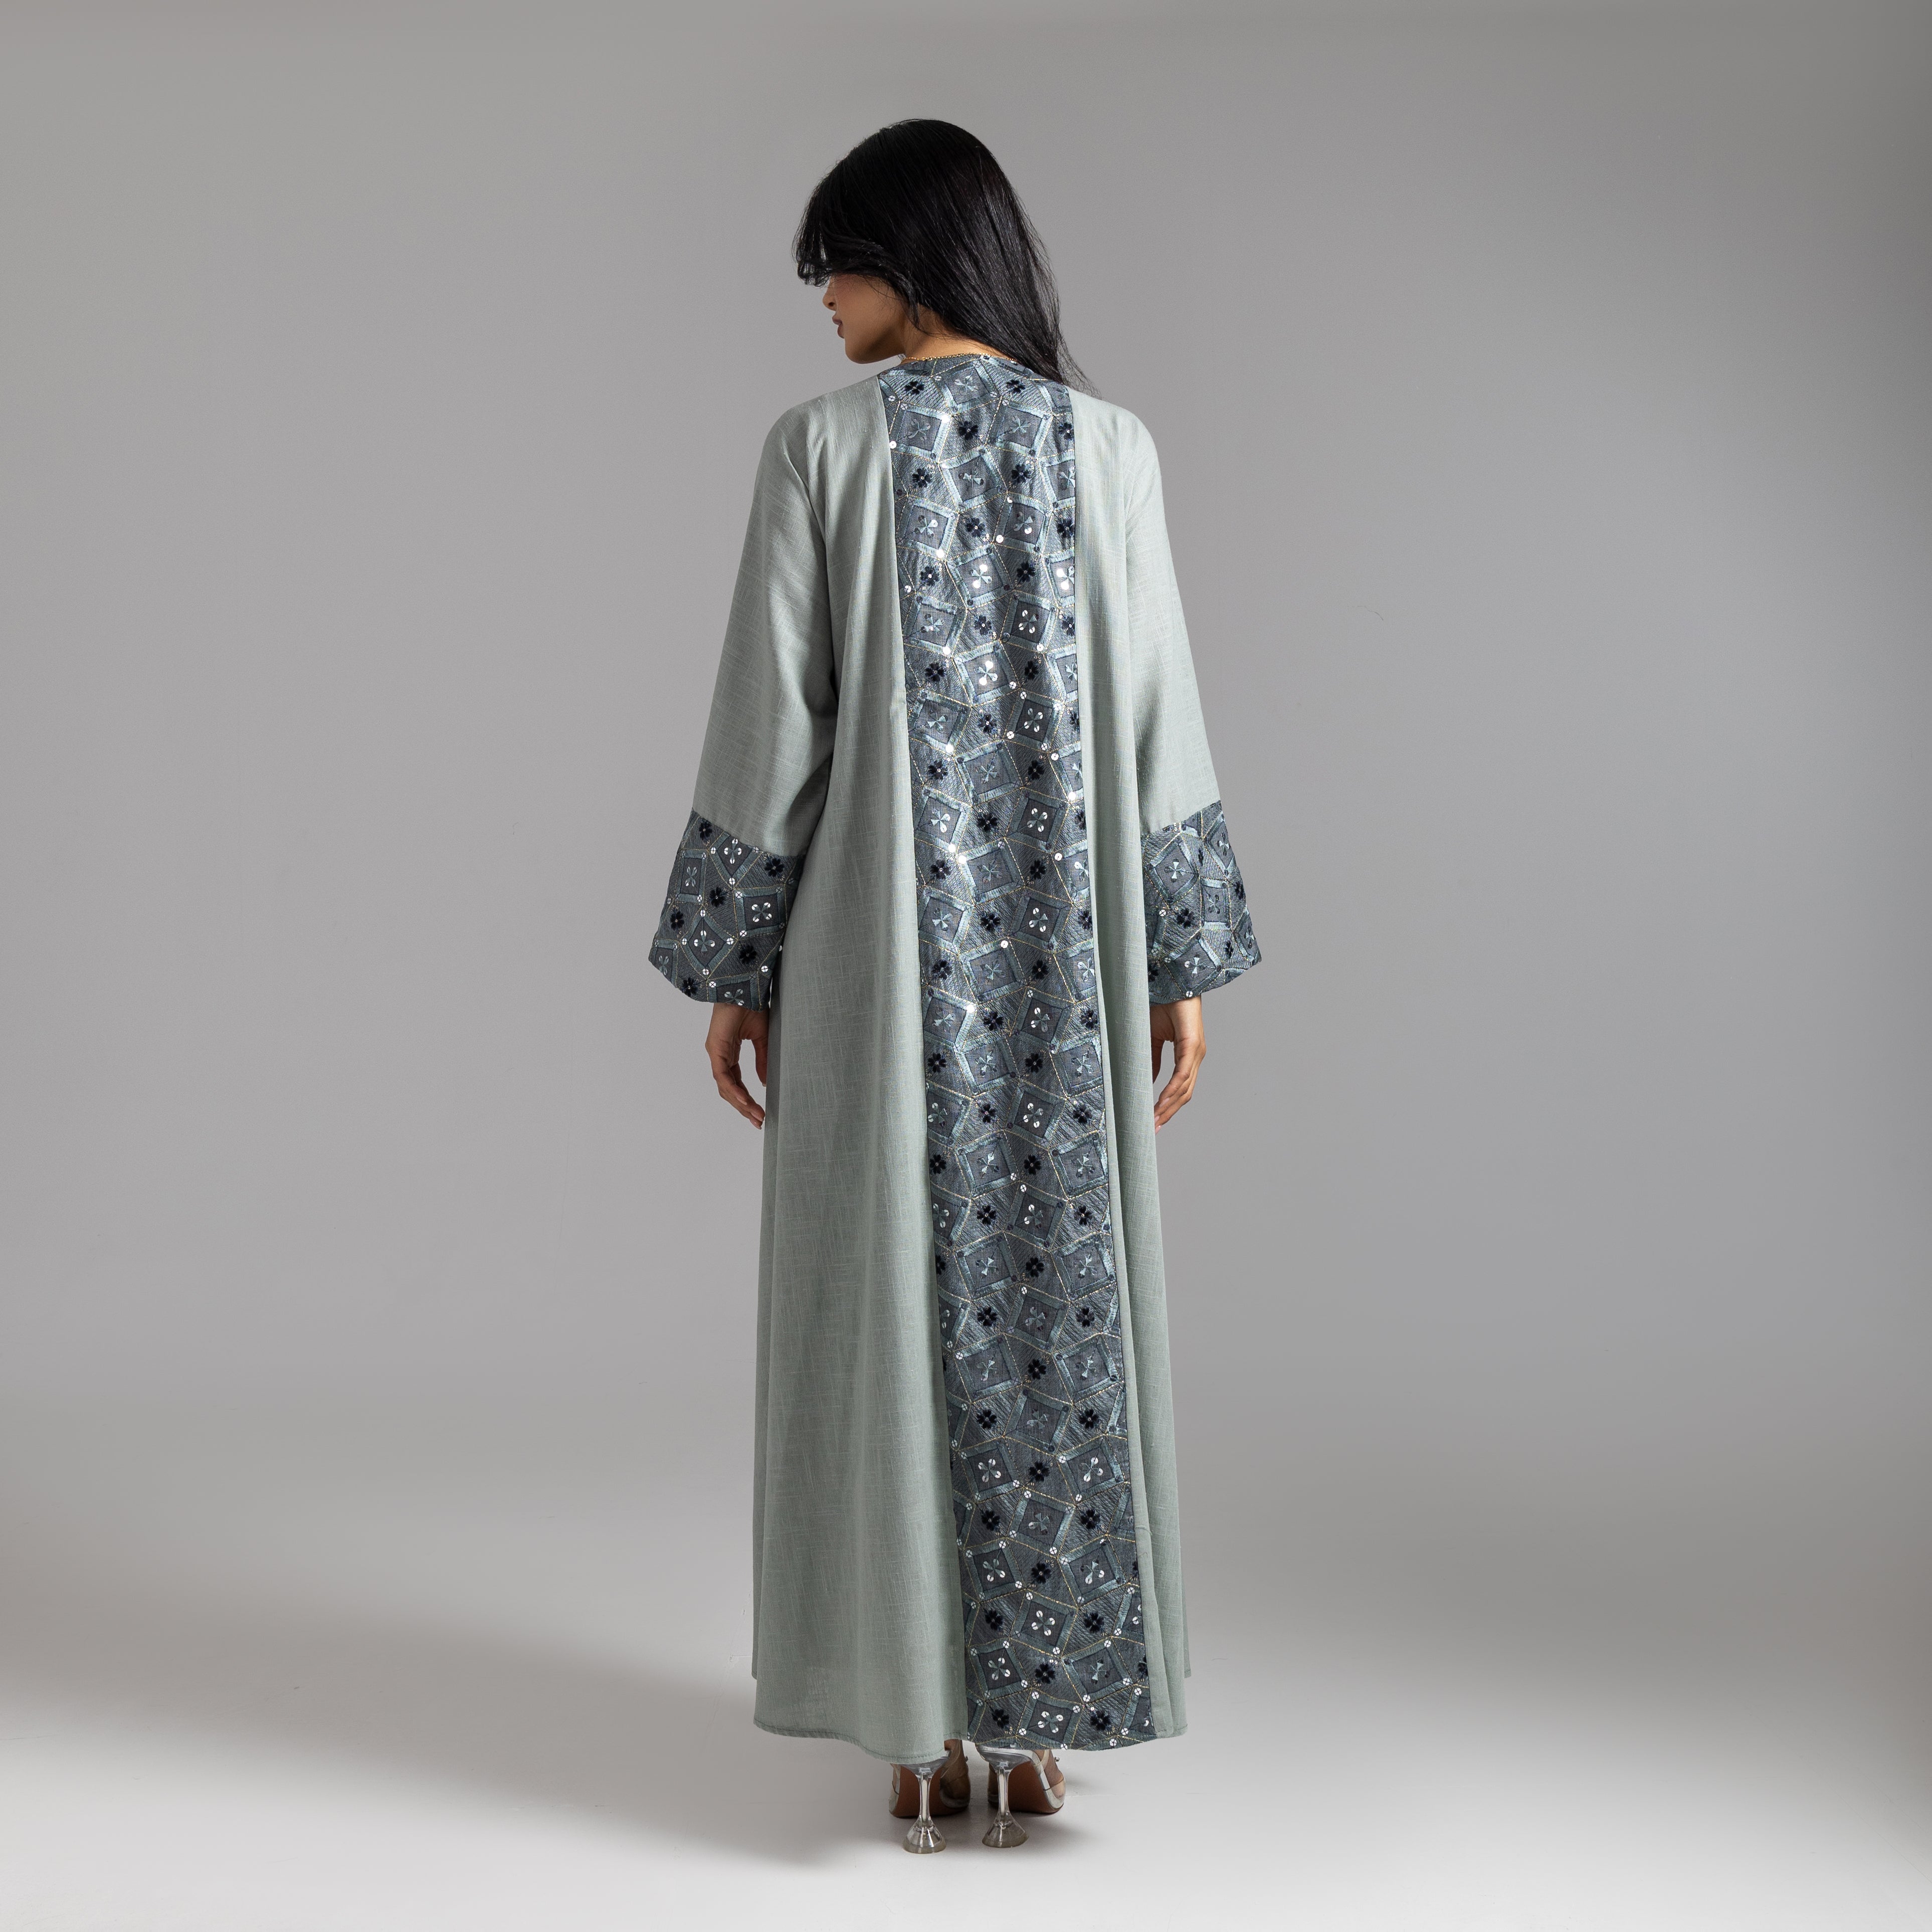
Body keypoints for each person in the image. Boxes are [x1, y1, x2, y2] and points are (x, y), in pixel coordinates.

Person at [649, 119, 1260, 1850]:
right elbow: (1161, 710)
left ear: (901, 262)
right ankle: (1036, 1725)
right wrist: (1180, 955)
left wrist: (737, 965)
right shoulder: (1108, 448)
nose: (821, 303)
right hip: (1073, 972)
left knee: (882, 1318)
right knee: (1061, 1311)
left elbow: (773, 720)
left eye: (831, 268)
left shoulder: (819, 450)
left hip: (870, 970)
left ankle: (917, 1729)